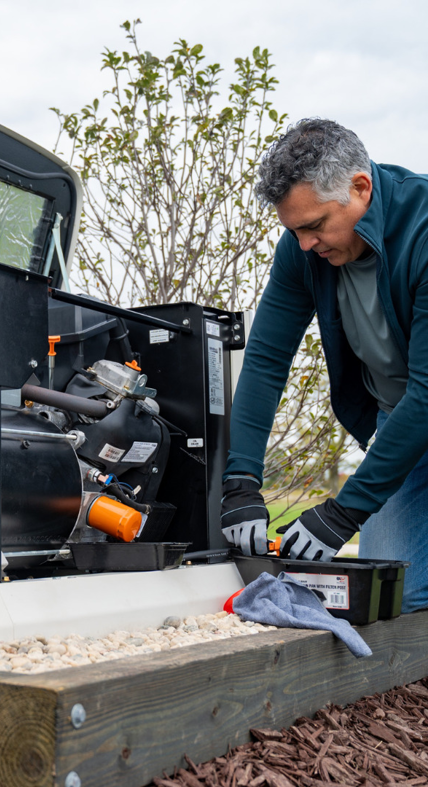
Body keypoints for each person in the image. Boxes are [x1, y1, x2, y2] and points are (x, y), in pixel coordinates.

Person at [220, 118, 428, 613]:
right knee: (394, 599)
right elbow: (268, 360)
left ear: (360, 187)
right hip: (400, 424)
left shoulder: (422, 230)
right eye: (294, 230)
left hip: (420, 402)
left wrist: (343, 512)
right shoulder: (302, 249)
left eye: (314, 226)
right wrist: (240, 481)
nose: (306, 243)